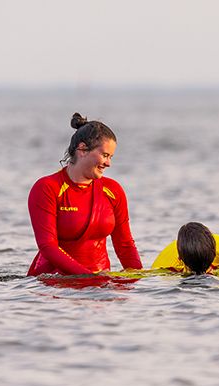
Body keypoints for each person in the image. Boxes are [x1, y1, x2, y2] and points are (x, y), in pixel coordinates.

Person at [27, 113, 142, 276]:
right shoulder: (47, 188)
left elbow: (125, 245)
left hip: (99, 288)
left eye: (111, 157)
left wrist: (140, 282)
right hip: (53, 286)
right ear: (82, 149)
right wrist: (87, 277)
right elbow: (48, 247)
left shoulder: (113, 190)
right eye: (105, 155)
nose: (109, 163)